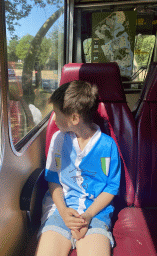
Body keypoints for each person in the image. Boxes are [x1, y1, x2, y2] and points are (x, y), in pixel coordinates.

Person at [35, 80, 121, 256]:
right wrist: (64, 212)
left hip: (95, 213)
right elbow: (53, 179)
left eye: (57, 114)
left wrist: (87, 216)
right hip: (61, 208)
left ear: (74, 118)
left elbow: (111, 187)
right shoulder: (58, 140)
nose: (54, 119)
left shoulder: (107, 146)